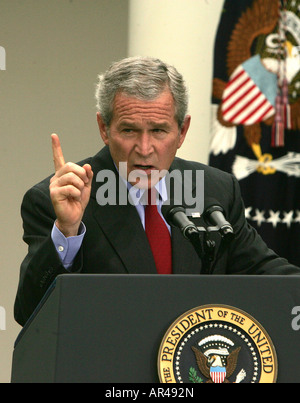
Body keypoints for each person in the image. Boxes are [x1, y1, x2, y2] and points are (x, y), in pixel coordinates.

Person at [14, 56, 300, 326]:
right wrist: (67, 230)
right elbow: (30, 313)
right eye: (128, 131)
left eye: (159, 131)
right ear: (104, 128)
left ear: (182, 131)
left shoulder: (214, 189)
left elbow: (269, 276)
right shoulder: (59, 200)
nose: (145, 149)